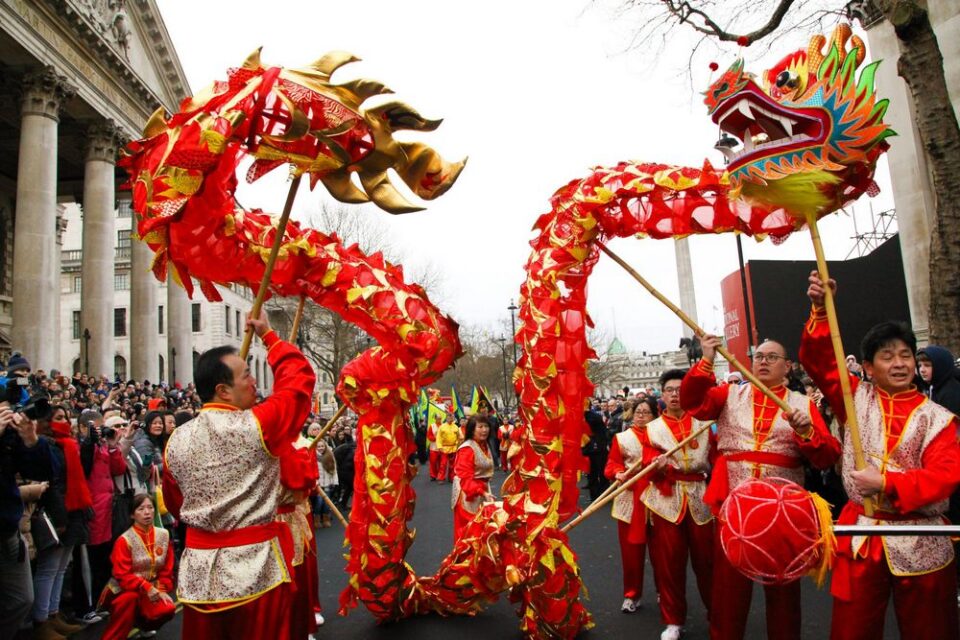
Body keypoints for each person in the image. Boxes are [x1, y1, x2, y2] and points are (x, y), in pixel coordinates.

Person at [801, 272, 960, 640]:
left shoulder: (938, 418)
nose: (900, 363)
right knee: (852, 629)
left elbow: (946, 475)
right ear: (868, 367)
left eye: (906, 355)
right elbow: (819, 360)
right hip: (862, 534)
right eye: (887, 356)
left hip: (923, 538)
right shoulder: (854, 397)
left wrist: (887, 483)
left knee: (930, 630)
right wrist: (820, 309)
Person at [161, 309, 315, 639]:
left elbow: (176, 505)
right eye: (246, 375)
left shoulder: (175, 440)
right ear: (223, 390)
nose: (255, 381)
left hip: (199, 575)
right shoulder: (256, 426)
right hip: (256, 571)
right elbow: (299, 383)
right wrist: (270, 337)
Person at [680, 335, 841, 640]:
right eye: (759, 357)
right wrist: (706, 359)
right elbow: (692, 404)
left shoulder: (802, 405)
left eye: (772, 357)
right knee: (728, 591)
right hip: (734, 507)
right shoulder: (730, 394)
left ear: (788, 366)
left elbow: (828, 456)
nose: (763, 361)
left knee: (783, 592)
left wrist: (805, 431)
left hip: (783, 512)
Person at [642, 369, 716, 640]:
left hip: (699, 495)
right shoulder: (650, 429)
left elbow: (717, 458)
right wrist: (655, 465)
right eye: (669, 390)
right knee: (669, 563)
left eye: (679, 389)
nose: (675, 394)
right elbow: (646, 463)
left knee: (707, 562)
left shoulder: (704, 422)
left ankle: (716, 614)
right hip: (666, 499)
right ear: (661, 395)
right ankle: (673, 620)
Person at [0, 401, 57, 640]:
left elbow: (46, 472)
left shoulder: (8, 437)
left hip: (7, 530)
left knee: (22, 599)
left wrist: (31, 440)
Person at [604, 396, 658, 614]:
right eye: (638, 412)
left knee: (661, 552)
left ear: (655, 415)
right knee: (631, 553)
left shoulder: (662, 436)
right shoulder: (622, 438)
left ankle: (664, 592)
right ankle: (631, 594)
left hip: (657, 497)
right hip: (629, 497)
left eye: (646, 412)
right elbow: (612, 463)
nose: (642, 416)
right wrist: (617, 472)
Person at [97, 494, 175, 640]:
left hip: (152, 587)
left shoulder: (164, 535)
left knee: (168, 608)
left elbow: (167, 569)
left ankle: (143, 625)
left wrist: (161, 589)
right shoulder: (124, 540)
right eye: (141, 509)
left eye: (150, 508)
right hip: (124, 590)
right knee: (129, 600)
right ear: (132, 515)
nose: (147, 512)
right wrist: (146, 587)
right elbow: (122, 575)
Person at [451, 414, 495, 541]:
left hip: (482, 490)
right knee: (470, 533)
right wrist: (481, 492)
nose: (485, 430)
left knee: (484, 529)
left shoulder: (484, 445)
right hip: (468, 493)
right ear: (471, 430)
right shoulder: (467, 449)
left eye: (486, 426)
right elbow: (464, 478)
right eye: (480, 427)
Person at [436, 415, 462, 483]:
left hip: (453, 448)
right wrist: (439, 446)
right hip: (444, 448)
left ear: (453, 418)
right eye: (448, 417)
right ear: (446, 418)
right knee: (443, 464)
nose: (450, 418)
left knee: (452, 464)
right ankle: (441, 478)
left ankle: (451, 477)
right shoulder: (442, 427)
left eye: (451, 417)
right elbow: (438, 437)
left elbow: (459, 437)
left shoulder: (456, 427)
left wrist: (457, 444)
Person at [427, 415, 440, 481]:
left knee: (440, 463)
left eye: (440, 418)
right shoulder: (432, 426)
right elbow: (429, 435)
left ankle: (439, 475)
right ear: (435, 418)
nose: (439, 420)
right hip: (433, 447)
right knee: (433, 462)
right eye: (438, 418)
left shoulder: (443, 425)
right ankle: (433, 475)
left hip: (441, 448)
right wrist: (434, 438)